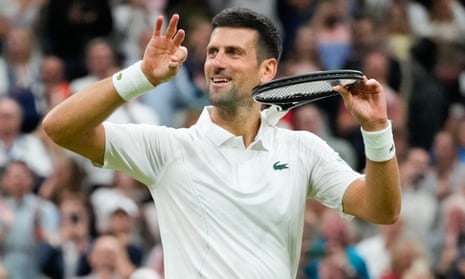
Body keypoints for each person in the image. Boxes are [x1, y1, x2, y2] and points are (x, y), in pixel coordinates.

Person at [42, 8, 401, 279]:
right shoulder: (168, 148)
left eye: (233, 52)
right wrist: (141, 77)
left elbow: (382, 210)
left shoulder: (302, 150)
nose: (217, 62)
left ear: (268, 69)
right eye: (213, 52)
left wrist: (377, 130)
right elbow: (60, 127)